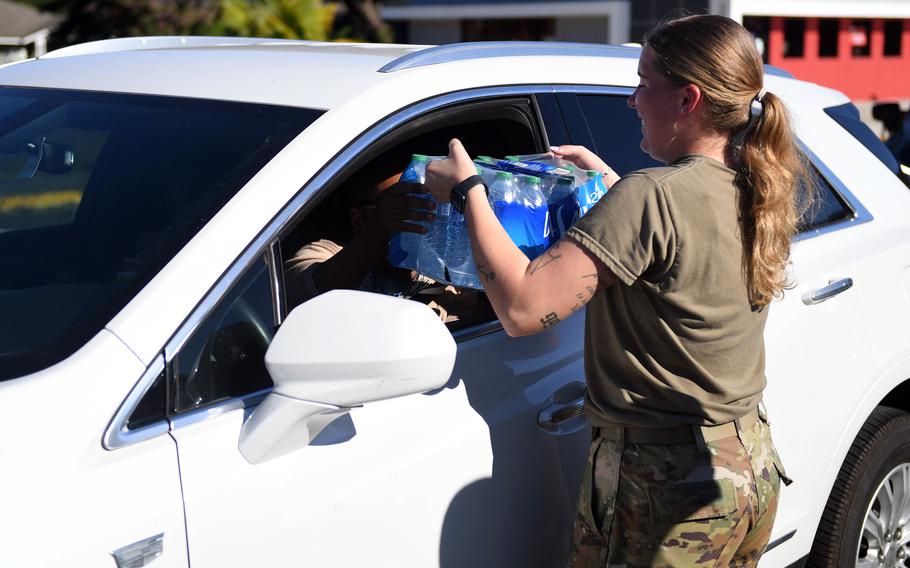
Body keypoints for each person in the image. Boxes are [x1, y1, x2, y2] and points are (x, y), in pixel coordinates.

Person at [423, 14, 801, 567]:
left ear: (688, 99)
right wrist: (610, 185)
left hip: (667, 487)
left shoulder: (650, 198)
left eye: (645, 83)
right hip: (744, 470)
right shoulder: (754, 181)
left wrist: (468, 192)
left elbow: (524, 309)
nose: (632, 99)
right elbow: (680, 247)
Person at [285, 160, 482, 324]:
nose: (412, 213)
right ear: (359, 219)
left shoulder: (445, 267)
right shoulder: (323, 253)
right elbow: (315, 297)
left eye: (419, 201)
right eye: (399, 203)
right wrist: (379, 230)